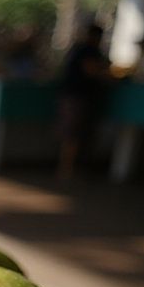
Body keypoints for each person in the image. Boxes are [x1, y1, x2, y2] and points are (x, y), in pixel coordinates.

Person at [56, 24, 110, 181]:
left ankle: (70, 168)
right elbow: (91, 71)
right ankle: (66, 170)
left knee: (76, 135)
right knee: (72, 134)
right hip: (76, 97)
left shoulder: (82, 49)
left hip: (77, 96)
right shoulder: (86, 50)